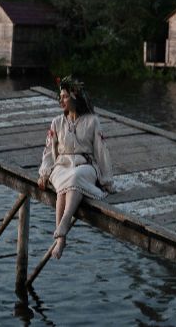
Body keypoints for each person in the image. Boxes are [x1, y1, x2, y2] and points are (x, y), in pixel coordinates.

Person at [38, 76, 114, 259]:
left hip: (84, 165)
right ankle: (61, 239)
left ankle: (62, 226)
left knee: (75, 177)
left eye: (64, 96)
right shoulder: (57, 122)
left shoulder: (92, 121)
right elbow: (48, 150)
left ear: (74, 97)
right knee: (64, 184)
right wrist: (44, 173)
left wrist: (106, 180)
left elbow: (101, 150)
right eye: (60, 96)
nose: (60, 100)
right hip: (62, 166)